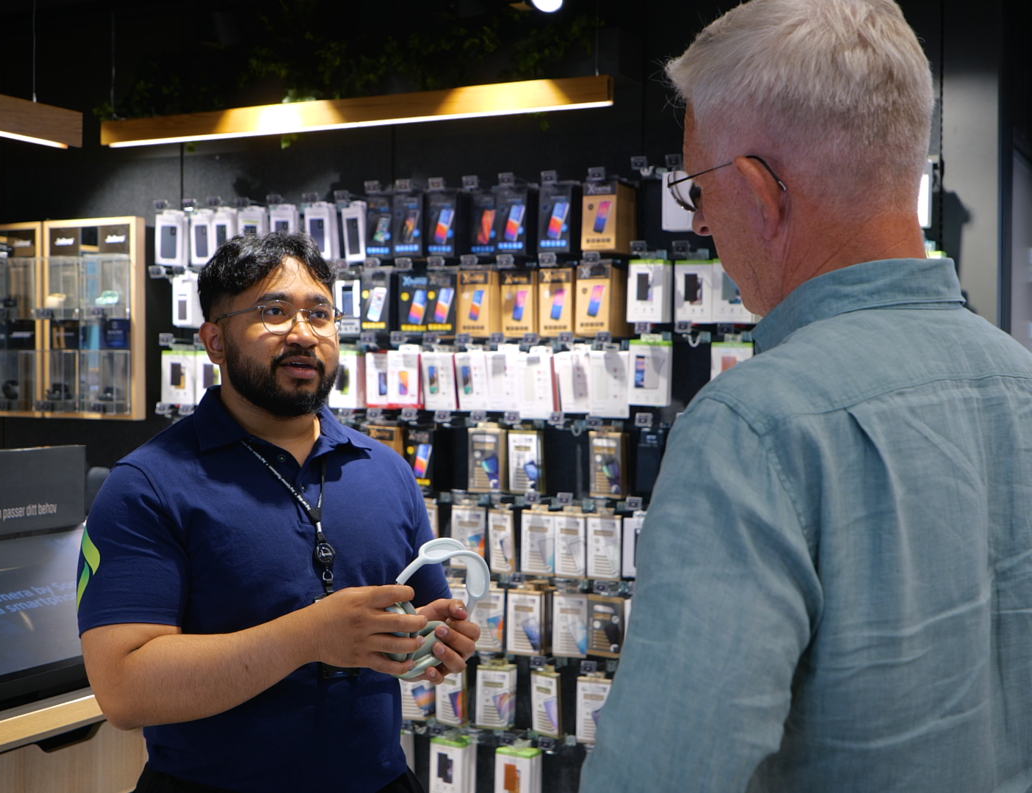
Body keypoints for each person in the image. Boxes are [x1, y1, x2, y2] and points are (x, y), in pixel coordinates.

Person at [581, 1, 1032, 791]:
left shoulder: (750, 429)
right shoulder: (1018, 382)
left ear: (759, 190)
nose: (703, 224)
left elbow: (663, 772)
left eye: (696, 192)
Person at [78, 230, 479, 793]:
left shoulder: (386, 471)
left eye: (320, 313)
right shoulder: (146, 484)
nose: (303, 334)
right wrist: (307, 637)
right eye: (274, 311)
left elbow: (420, 625)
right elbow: (123, 689)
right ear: (215, 342)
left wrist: (436, 641)